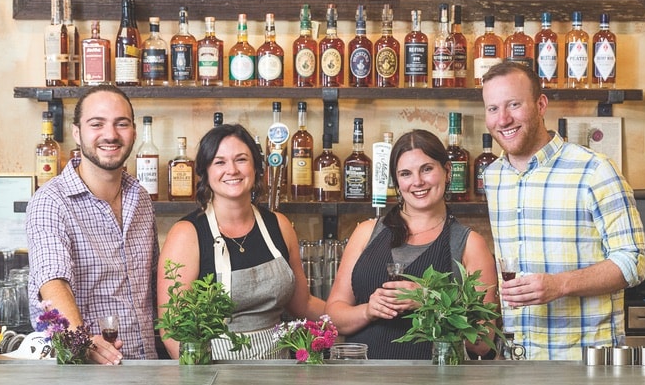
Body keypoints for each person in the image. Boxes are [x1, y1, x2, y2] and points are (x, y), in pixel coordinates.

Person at [481, 61, 645, 360]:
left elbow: (634, 261)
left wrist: (559, 284)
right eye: (492, 109)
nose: (503, 119)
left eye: (514, 105)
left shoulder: (595, 170)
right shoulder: (493, 177)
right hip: (516, 364)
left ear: (541, 104)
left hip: (586, 366)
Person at [325, 129, 498, 359]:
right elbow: (333, 316)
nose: (417, 182)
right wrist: (368, 311)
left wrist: (430, 302)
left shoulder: (469, 244)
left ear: (447, 171)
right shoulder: (366, 232)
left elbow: (483, 341)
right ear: (397, 182)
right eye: (406, 174)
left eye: (427, 169)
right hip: (362, 383)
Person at [156, 123, 325, 359]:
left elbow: (303, 305)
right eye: (220, 162)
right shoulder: (186, 234)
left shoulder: (279, 225)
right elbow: (172, 329)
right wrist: (198, 380)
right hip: (216, 374)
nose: (232, 170)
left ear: (256, 167)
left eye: (241, 159)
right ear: (205, 172)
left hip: (280, 373)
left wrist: (357, 315)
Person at [26, 85, 159, 363]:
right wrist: (81, 340)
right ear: (77, 133)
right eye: (96, 124)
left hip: (148, 369)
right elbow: (52, 281)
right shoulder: (51, 201)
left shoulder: (141, 198)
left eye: (121, 124)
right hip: (88, 373)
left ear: (133, 131)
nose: (110, 135)